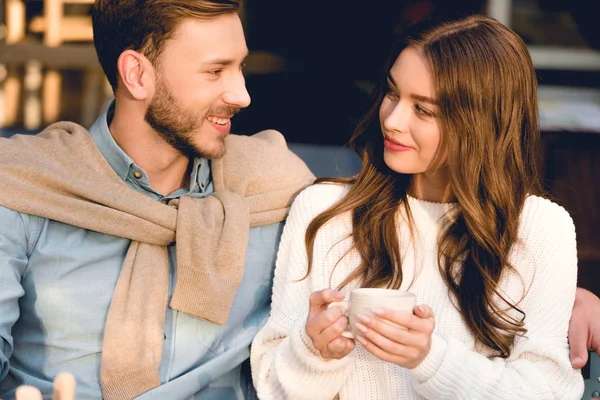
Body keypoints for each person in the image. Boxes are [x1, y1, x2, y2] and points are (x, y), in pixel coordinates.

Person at [251, 14, 586, 399]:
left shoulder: (541, 230)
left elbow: (548, 392)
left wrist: (431, 359)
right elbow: (270, 386)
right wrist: (313, 353)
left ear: (481, 124)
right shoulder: (324, 210)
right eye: (392, 93)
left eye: (423, 110)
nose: (392, 120)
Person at [0, 0, 314, 399]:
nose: (242, 94)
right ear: (137, 75)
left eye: (241, 68)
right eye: (216, 71)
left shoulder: (274, 189)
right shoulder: (23, 186)